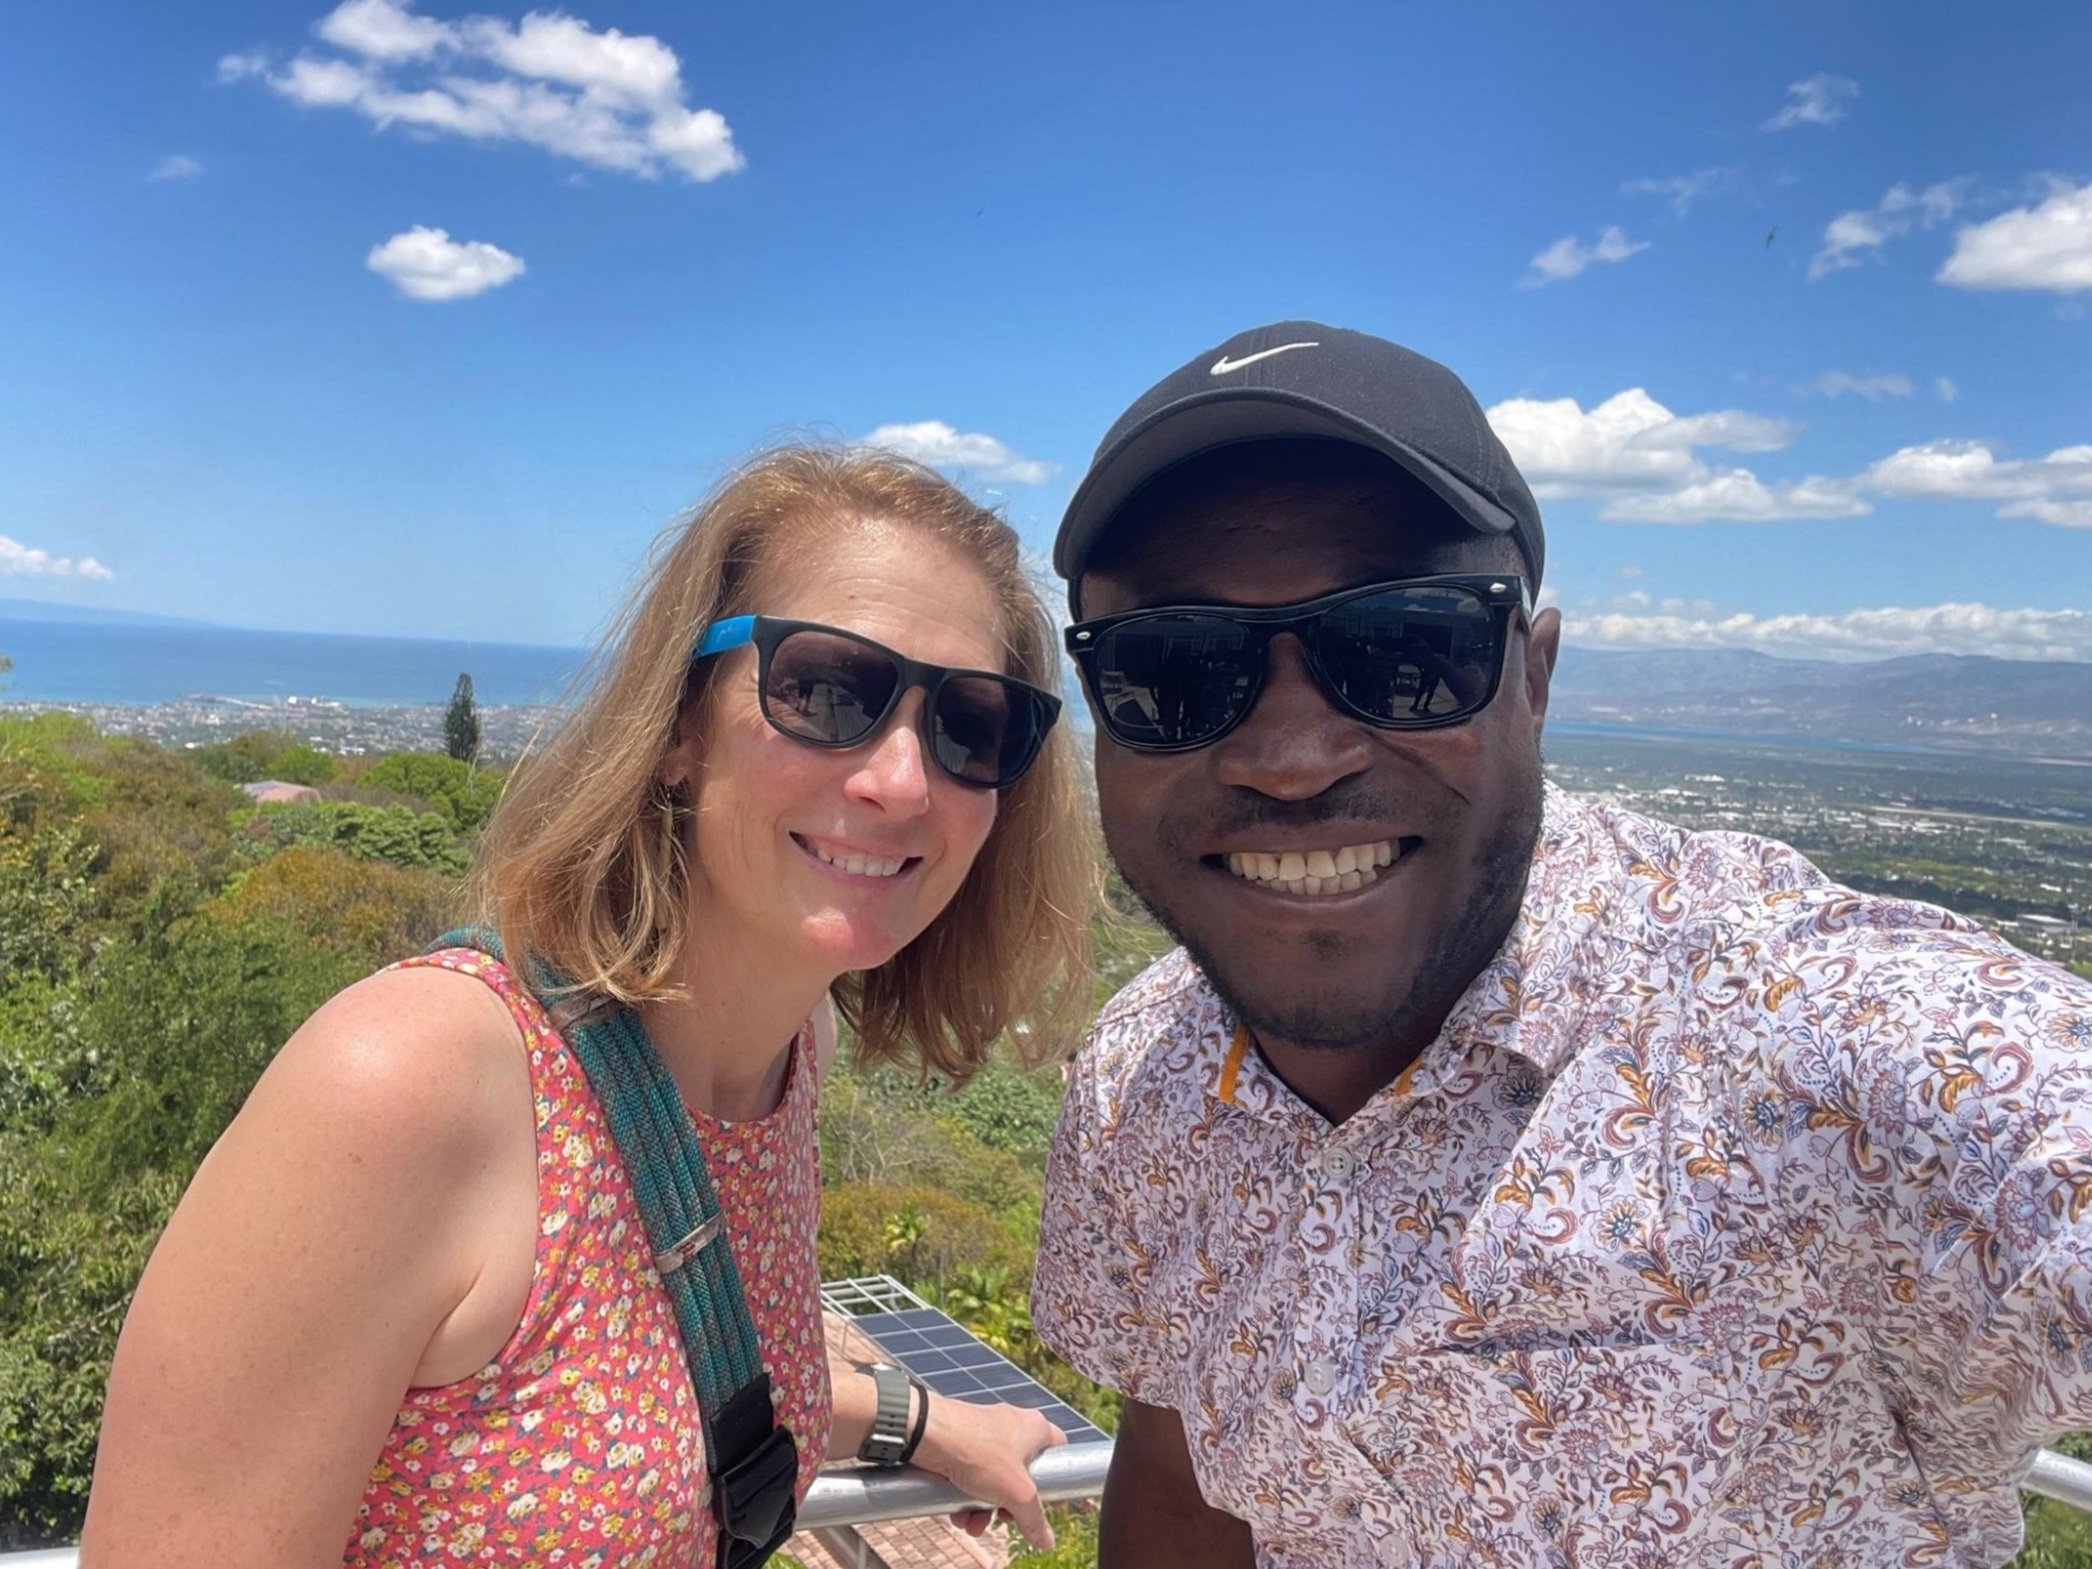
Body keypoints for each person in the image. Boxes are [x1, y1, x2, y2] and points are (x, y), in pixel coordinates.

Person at [1031, 321, 2092, 1567]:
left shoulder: (1800, 1046)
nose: (1290, 756)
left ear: (1531, 680)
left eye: (1407, 647)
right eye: (1169, 670)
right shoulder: (1140, 1080)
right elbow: (1179, 1466)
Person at [82, 445, 1094, 1567]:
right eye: (823, 691)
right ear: (680, 729)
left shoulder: (782, 1061)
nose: (900, 780)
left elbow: (656, 1365)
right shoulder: (412, 1086)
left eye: (970, 726)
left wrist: (920, 1421)